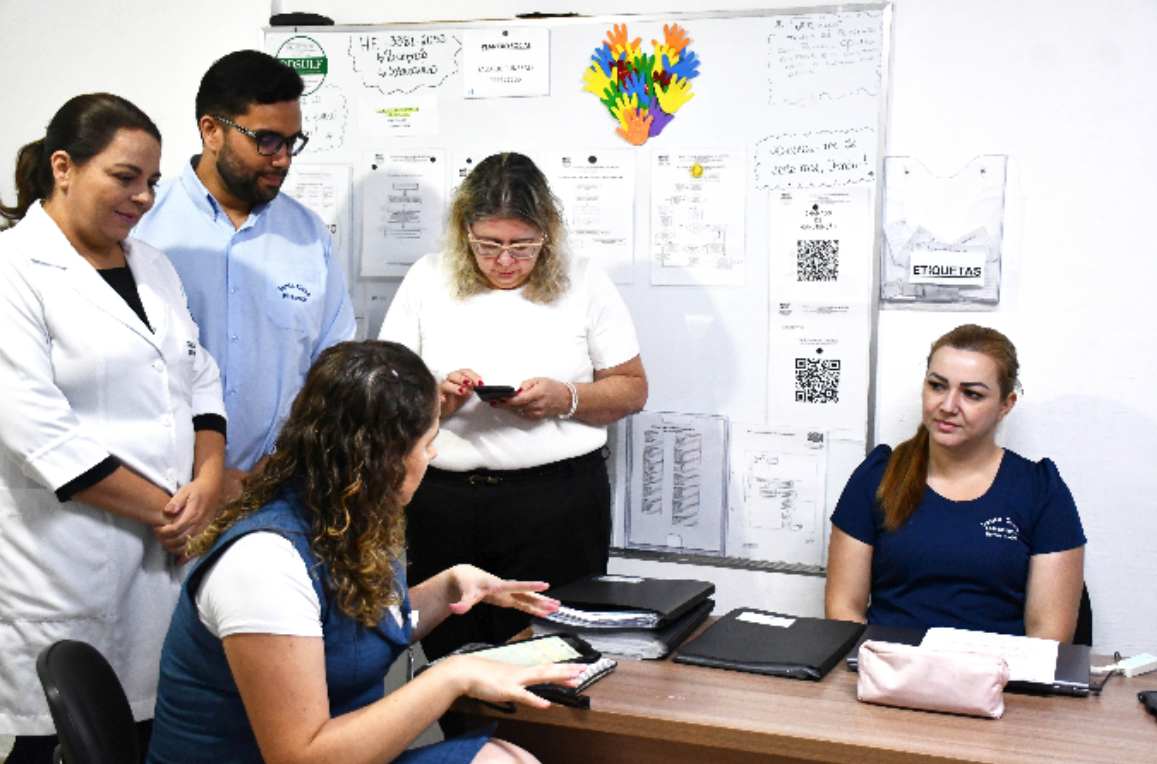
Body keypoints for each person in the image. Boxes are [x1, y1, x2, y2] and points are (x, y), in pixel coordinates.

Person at [148, 340, 585, 764]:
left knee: (507, 757)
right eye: (426, 442)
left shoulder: (341, 516)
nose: (431, 454)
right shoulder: (264, 564)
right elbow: (301, 758)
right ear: (384, 458)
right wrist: (451, 677)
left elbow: (353, 638)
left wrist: (450, 585)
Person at [0, 94, 226, 763]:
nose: (144, 196)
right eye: (125, 177)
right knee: (61, 739)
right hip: (66, 561)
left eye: (151, 181)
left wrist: (210, 479)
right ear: (63, 167)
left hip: (165, 554)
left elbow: (200, 375)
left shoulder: (152, 265)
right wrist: (172, 513)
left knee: (150, 735)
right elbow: (39, 432)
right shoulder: (14, 271)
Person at [378, 152, 648, 660]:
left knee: (554, 655)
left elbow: (631, 389)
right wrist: (436, 397)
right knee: (451, 654)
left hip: (556, 504)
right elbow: (383, 393)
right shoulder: (427, 278)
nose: (505, 261)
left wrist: (566, 398)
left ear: (547, 234)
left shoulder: (584, 280)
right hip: (444, 504)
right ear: (465, 233)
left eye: (522, 246)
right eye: (488, 245)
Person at [134, 50, 355, 503]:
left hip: (276, 490)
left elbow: (334, 368)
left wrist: (276, 468)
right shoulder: (143, 227)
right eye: (267, 140)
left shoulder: (308, 234)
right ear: (211, 131)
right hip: (162, 495)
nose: (283, 159)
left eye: (292, 142)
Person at [825, 324, 1086, 640]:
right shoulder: (877, 478)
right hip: (888, 666)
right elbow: (843, 609)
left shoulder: (1041, 492)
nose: (948, 406)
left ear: (1005, 405)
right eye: (937, 386)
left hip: (995, 671)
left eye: (972, 394)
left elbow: (1049, 636)